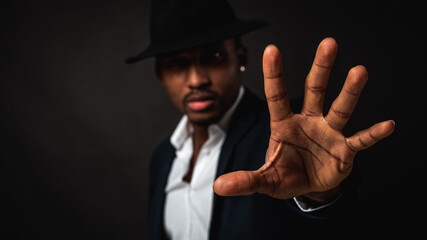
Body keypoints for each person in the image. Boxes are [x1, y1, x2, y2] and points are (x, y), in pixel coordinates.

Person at [126, 0, 395, 239]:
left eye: (214, 57)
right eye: (177, 63)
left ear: (240, 58)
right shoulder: (162, 158)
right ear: (160, 73)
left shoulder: (295, 139)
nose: (197, 80)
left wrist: (322, 197)